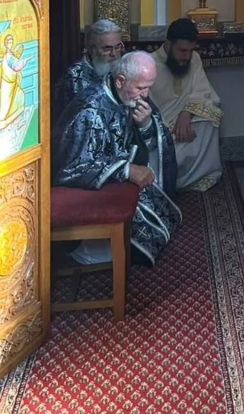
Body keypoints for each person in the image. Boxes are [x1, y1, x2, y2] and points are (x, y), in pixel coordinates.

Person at [53, 50, 180, 266]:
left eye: (148, 87)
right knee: (144, 240)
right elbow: (74, 166)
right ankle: (95, 249)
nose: (145, 95)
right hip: (88, 187)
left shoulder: (127, 94)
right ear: (120, 81)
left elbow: (154, 136)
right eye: (141, 88)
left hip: (116, 173)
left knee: (163, 217)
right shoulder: (90, 109)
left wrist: (146, 125)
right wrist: (127, 170)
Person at [150, 18, 223, 192]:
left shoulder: (194, 58)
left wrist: (186, 113)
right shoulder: (149, 64)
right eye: (182, 50)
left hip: (185, 118)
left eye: (191, 50)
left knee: (211, 117)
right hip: (159, 125)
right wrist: (166, 127)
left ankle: (198, 175)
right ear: (168, 44)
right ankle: (166, 180)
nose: (187, 56)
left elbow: (202, 91)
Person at [53, 18, 125, 119]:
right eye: (107, 49)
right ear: (92, 49)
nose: (114, 54)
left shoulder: (125, 71)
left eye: (117, 47)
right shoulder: (74, 77)